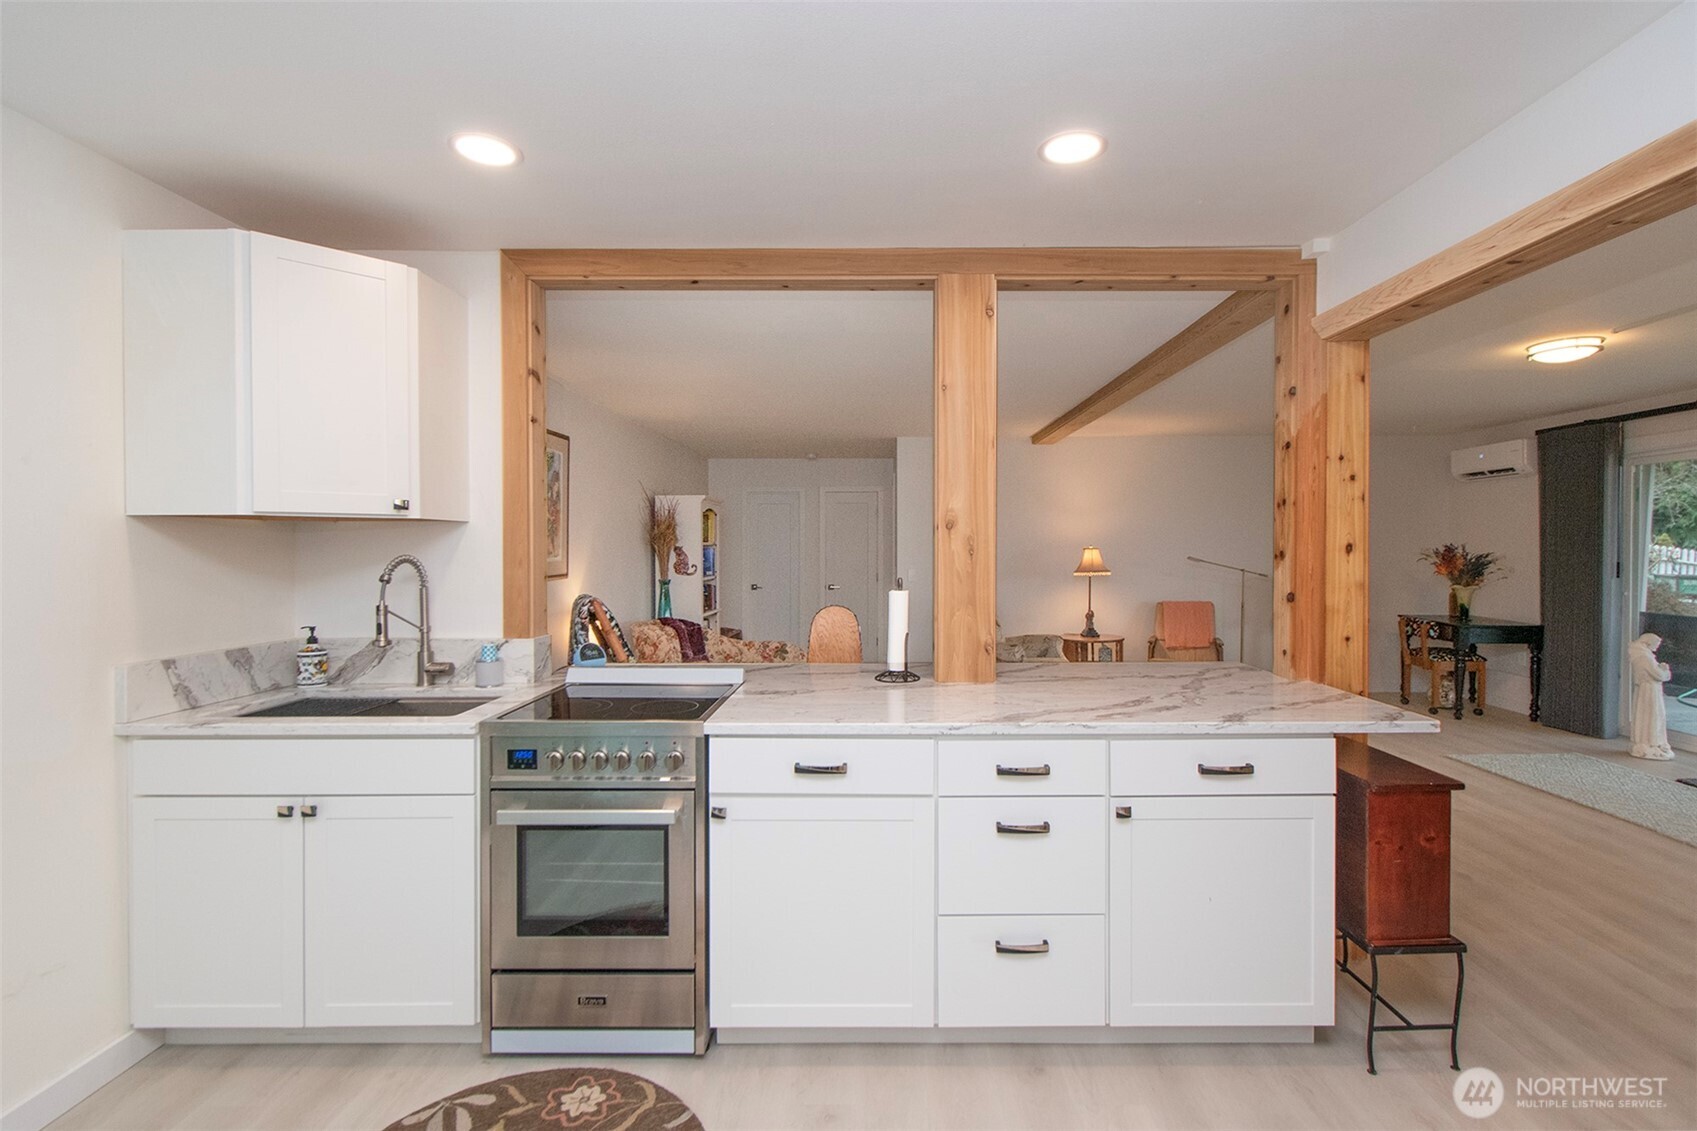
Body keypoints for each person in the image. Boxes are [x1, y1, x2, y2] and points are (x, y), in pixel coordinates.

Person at [1628, 632, 1676, 761]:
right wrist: (1665, 670)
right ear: (1648, 643)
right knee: (1652, 714)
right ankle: (1651, 741)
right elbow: (1658, 675)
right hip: (1650, 690)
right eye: (1656, 643)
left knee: (1648, 714)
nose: (1657, 646)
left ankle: (1648, 741)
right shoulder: (1645, 657)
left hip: (1647, 689)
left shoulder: (1641, 655)